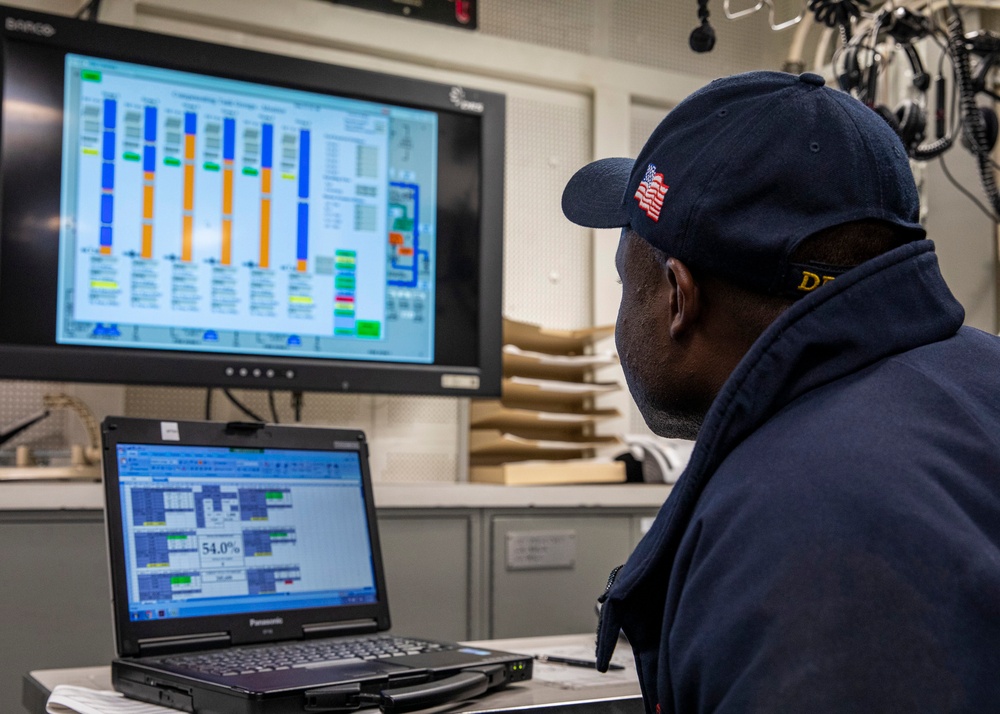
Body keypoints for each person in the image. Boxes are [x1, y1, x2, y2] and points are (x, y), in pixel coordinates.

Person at [561, 70, 1000, 712]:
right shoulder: (977, 385)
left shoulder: (792, 527)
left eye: (629, 283)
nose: (624, 312)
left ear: (680, 296)